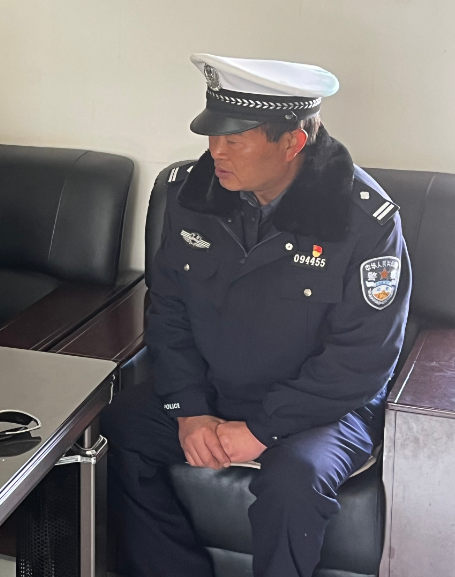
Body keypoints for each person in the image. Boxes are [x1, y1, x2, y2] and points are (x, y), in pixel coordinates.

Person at [102, 55, 410, 577]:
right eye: (212, 135)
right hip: (219, 388)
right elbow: (169, 310)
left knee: (294, 482)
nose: (215, 151)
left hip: (323, 410)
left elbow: (362, 359)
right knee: (117, 430)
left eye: (234, 139)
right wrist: (189, 409)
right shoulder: (192, 195)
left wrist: (263, 429)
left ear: (293, 142)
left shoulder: (364, 220)